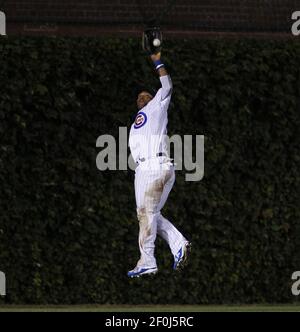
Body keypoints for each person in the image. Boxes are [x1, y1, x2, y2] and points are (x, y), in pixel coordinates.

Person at [128, 51, 191, 278]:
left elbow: (166, 85)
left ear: (153, 97)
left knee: (147, 213)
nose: (141, 98)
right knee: (148, 213)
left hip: (156, 163)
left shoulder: (157, 106)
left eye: (145, 95)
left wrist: (157, 61)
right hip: (143, 170)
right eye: (139, 97)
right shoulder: (136, 124)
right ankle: (178, 244)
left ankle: (148, 261)